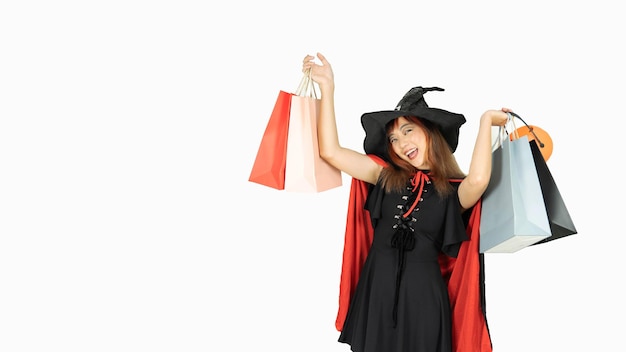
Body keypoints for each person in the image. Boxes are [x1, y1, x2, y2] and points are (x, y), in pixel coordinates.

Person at [302, 53, 511, 352]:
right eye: (393, 139)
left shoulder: (453, 194)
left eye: (407, 131)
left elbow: (477, 181)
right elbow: (331, 152)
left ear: (429, 131)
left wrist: (486, 122)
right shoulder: (384, 176)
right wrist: (328, 87)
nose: (401, 144)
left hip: (424, 303)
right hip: (375, 294)